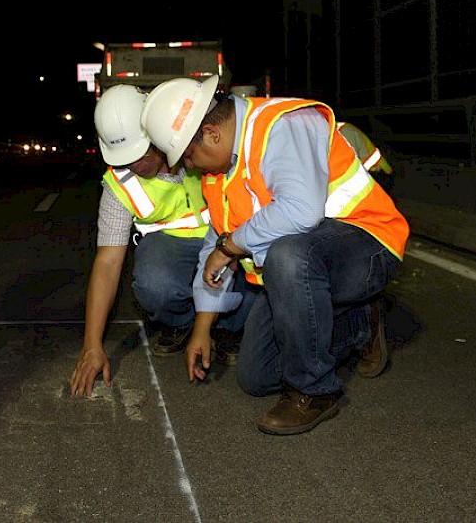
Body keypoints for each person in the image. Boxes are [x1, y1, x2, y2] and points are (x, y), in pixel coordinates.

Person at [140, 76, 410, 435]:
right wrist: (202, 327)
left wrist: (230, 246)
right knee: (257, 376)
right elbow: (215, 249)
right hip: (301, 274)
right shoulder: (218, 174)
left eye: (188, 156)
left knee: (287, 255)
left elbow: (300, 211)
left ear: (211, 133)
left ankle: (313, 392)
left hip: (367, 245)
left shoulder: (285, 124)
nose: (190, 167)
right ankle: (360, 321)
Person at [69, 84, 253, 398]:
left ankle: (226, 327)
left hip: (228, 237)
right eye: (123, 159)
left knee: (258, 278)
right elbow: (108, 262)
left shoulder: (199, 144)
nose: (133, 167)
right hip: (172, 249)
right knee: (154, 283)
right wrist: (92, 345)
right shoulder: (119, 185)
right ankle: (182, 321)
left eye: (138, 156)